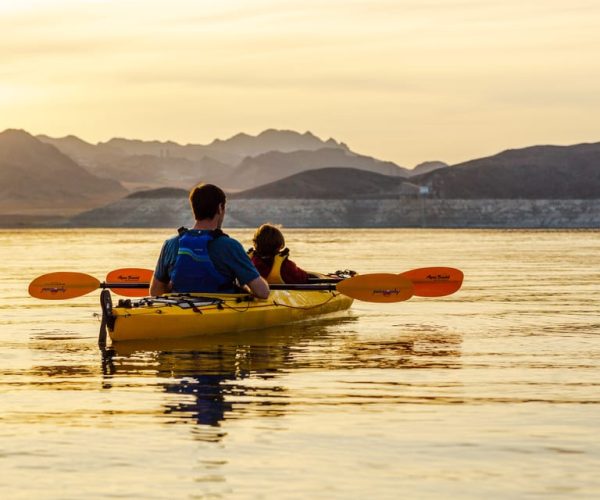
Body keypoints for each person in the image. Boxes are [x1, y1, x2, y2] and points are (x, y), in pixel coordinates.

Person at [149, 183, 270, 298]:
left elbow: (155, 292)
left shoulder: (170, 244)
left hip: (179, 310)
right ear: (219, 208)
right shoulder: (230, 246)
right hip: (220, 314)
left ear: (194, 209)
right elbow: (262, 292)